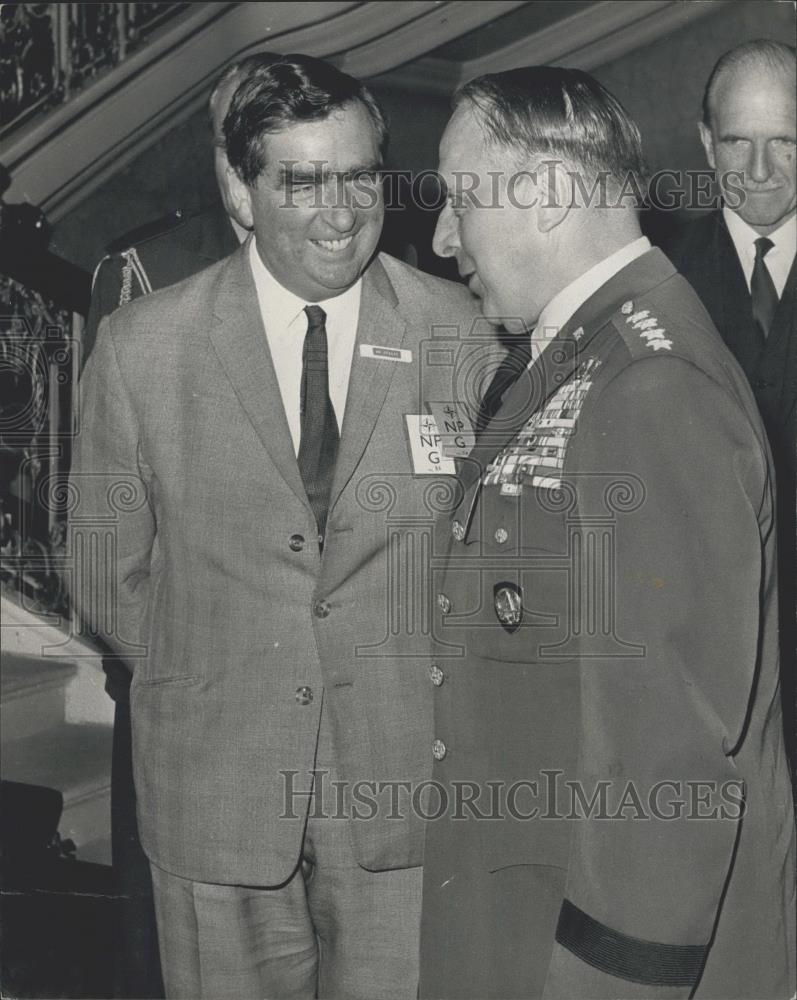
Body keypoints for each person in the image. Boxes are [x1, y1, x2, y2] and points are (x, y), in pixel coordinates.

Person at [69, 54, 480, 999]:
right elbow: (103, 568)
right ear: (238, 189)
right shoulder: (144, 348)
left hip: (401, 795)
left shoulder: (462, 334)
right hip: (214, 790)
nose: (342, 212)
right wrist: (208, 676)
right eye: (302, 181)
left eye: (361, 175)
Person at [419, 66, 796, 999]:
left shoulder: (648, 384)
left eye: (460, 201)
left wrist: (613, 980)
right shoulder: (585, 355)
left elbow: (664, 757)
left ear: (544, 196)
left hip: (593, 950)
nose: (437, 235)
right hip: (522, 903)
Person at [79, 52, 277, 1000]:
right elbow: (114, 525)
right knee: (163, 936)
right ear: (219, 158)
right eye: (240, 149)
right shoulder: (149, 272)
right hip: (183, 675)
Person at [663, 41, 796, 793]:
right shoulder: (653, 279)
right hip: (707, 670)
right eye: (738, 142)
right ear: (705, 144)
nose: (759, 170)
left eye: (785, 141)